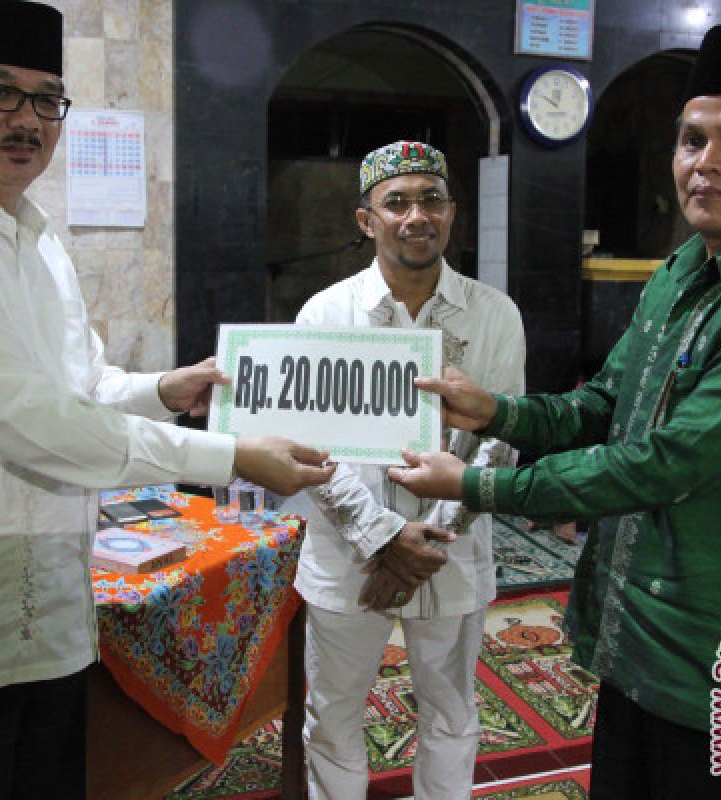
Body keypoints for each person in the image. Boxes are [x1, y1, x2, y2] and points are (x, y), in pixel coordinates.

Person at [0, 3, 334, 799]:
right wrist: (231, 456)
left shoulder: (40, 241)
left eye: (46, 98)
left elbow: (81, 388)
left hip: (44, 629)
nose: (27, 119)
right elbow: (32, 424)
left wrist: (165, 390)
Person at [388, 24, 721, 799]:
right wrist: (497, 412)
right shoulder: (685, 267)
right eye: (691, 139)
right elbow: (606, 406)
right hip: (638, 632)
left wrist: (478, 488)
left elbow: (672, 462)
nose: (704, 162)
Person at [281, 141, 525, 799]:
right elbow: (310, 447)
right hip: (346, 553)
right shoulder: (326, 315)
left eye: (431, 200)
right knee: (332, 714)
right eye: (397, 202)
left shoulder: (493, 314)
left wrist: (430, 542)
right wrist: (383, 538)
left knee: (450, 712)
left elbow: (503, 439)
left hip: (452, 552)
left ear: (452, 213)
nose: (417, 216)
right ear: (367, 220)